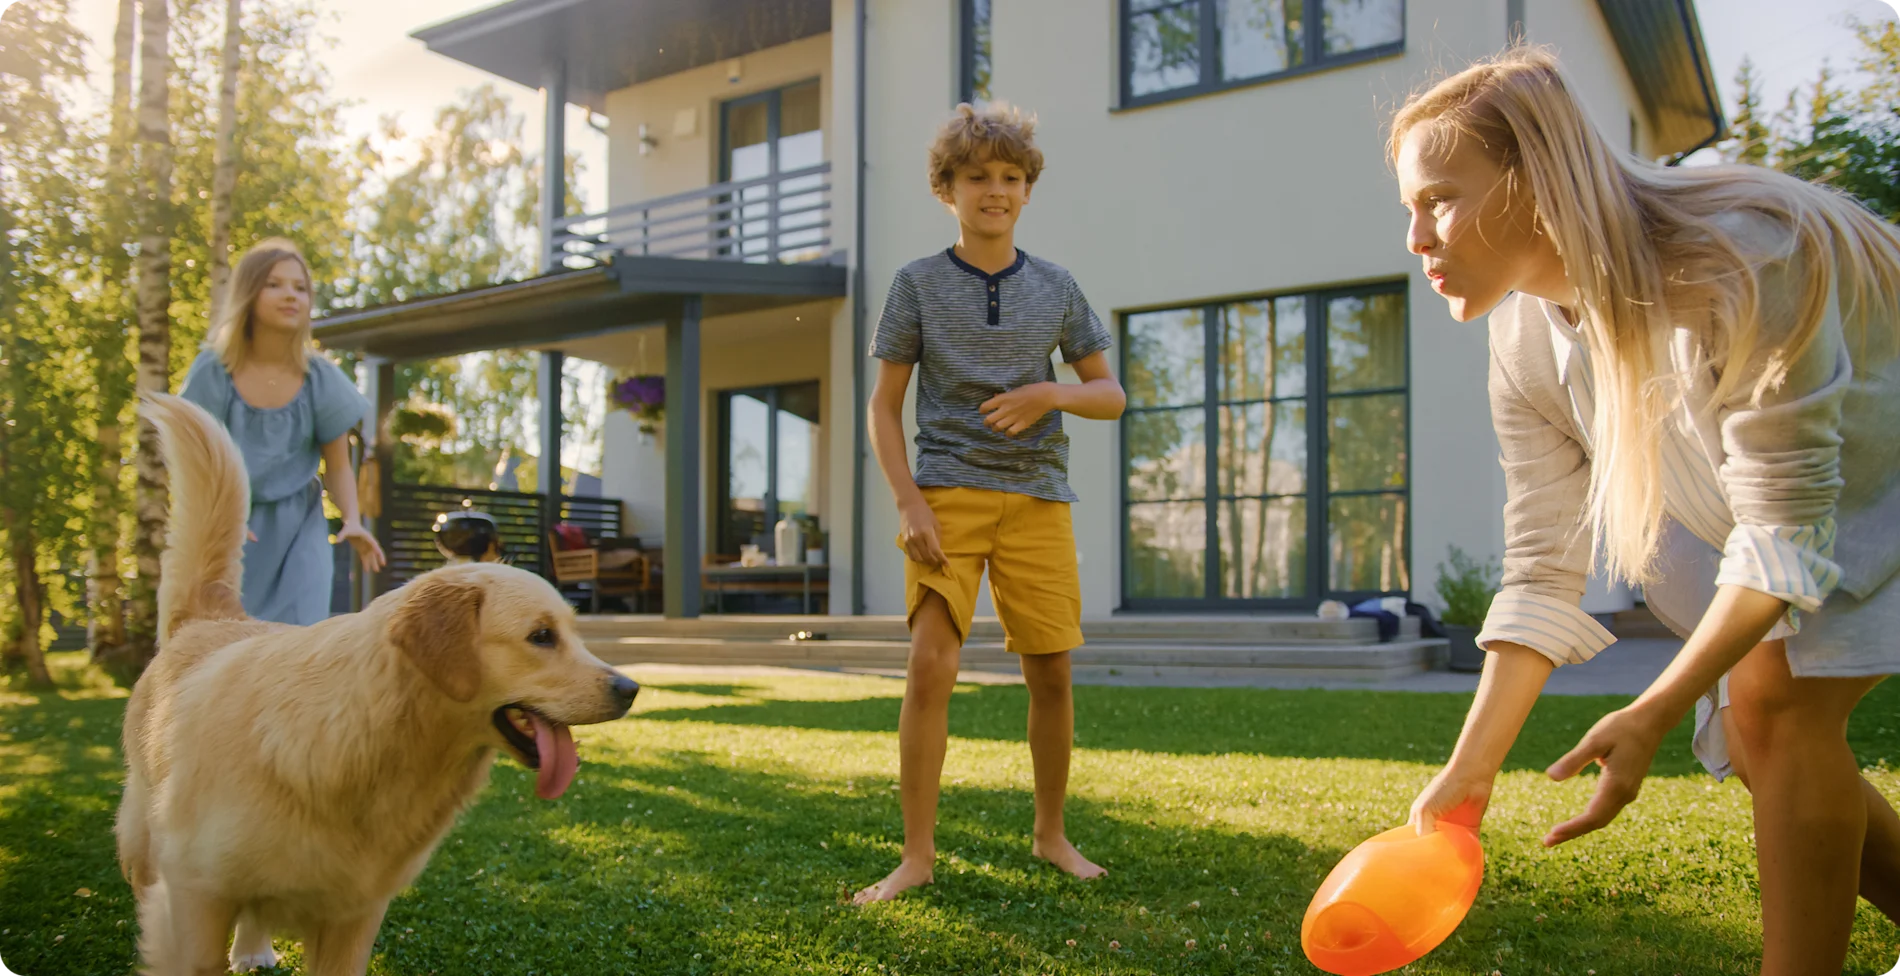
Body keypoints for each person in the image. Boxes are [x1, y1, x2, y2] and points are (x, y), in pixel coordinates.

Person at [1392, 48, 1900, 972]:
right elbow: (1544, 563)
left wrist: (1656, 708)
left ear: (1537, 176)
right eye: (1409, 210)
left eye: (1440, 199)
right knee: (1759, 737)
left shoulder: (1745, 252)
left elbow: (1786, 527)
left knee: (1772, 706)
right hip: (1793, 517)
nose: (1418, 239)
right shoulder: (1521, 339)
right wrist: (1468, 775)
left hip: (1873, 481)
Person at [853, 102, 1126, 903]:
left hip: (1038, 499)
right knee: (929, 666)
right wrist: (909, 502)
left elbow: (1109, 395)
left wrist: (1048, 392)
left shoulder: (1058, 287)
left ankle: (1050, 836)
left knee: (1051, 675)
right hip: (947, 497)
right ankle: (917, 857)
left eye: (1010, 177)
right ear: (949, 188)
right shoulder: (916, 284)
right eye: (978, 177)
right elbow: (883, 406)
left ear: (1028, 189)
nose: (995, 191)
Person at [179, 238, 386, 625]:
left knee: (295, 638)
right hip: (228, 527)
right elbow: (194, 460)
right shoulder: (213, 372)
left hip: (299, 528)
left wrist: (352, 519)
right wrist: (220, 519)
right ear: (248, 293)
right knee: (225, 639)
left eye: (300, 287)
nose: (290, 295)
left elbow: (338, 466)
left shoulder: (320, 378)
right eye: (274, 284)